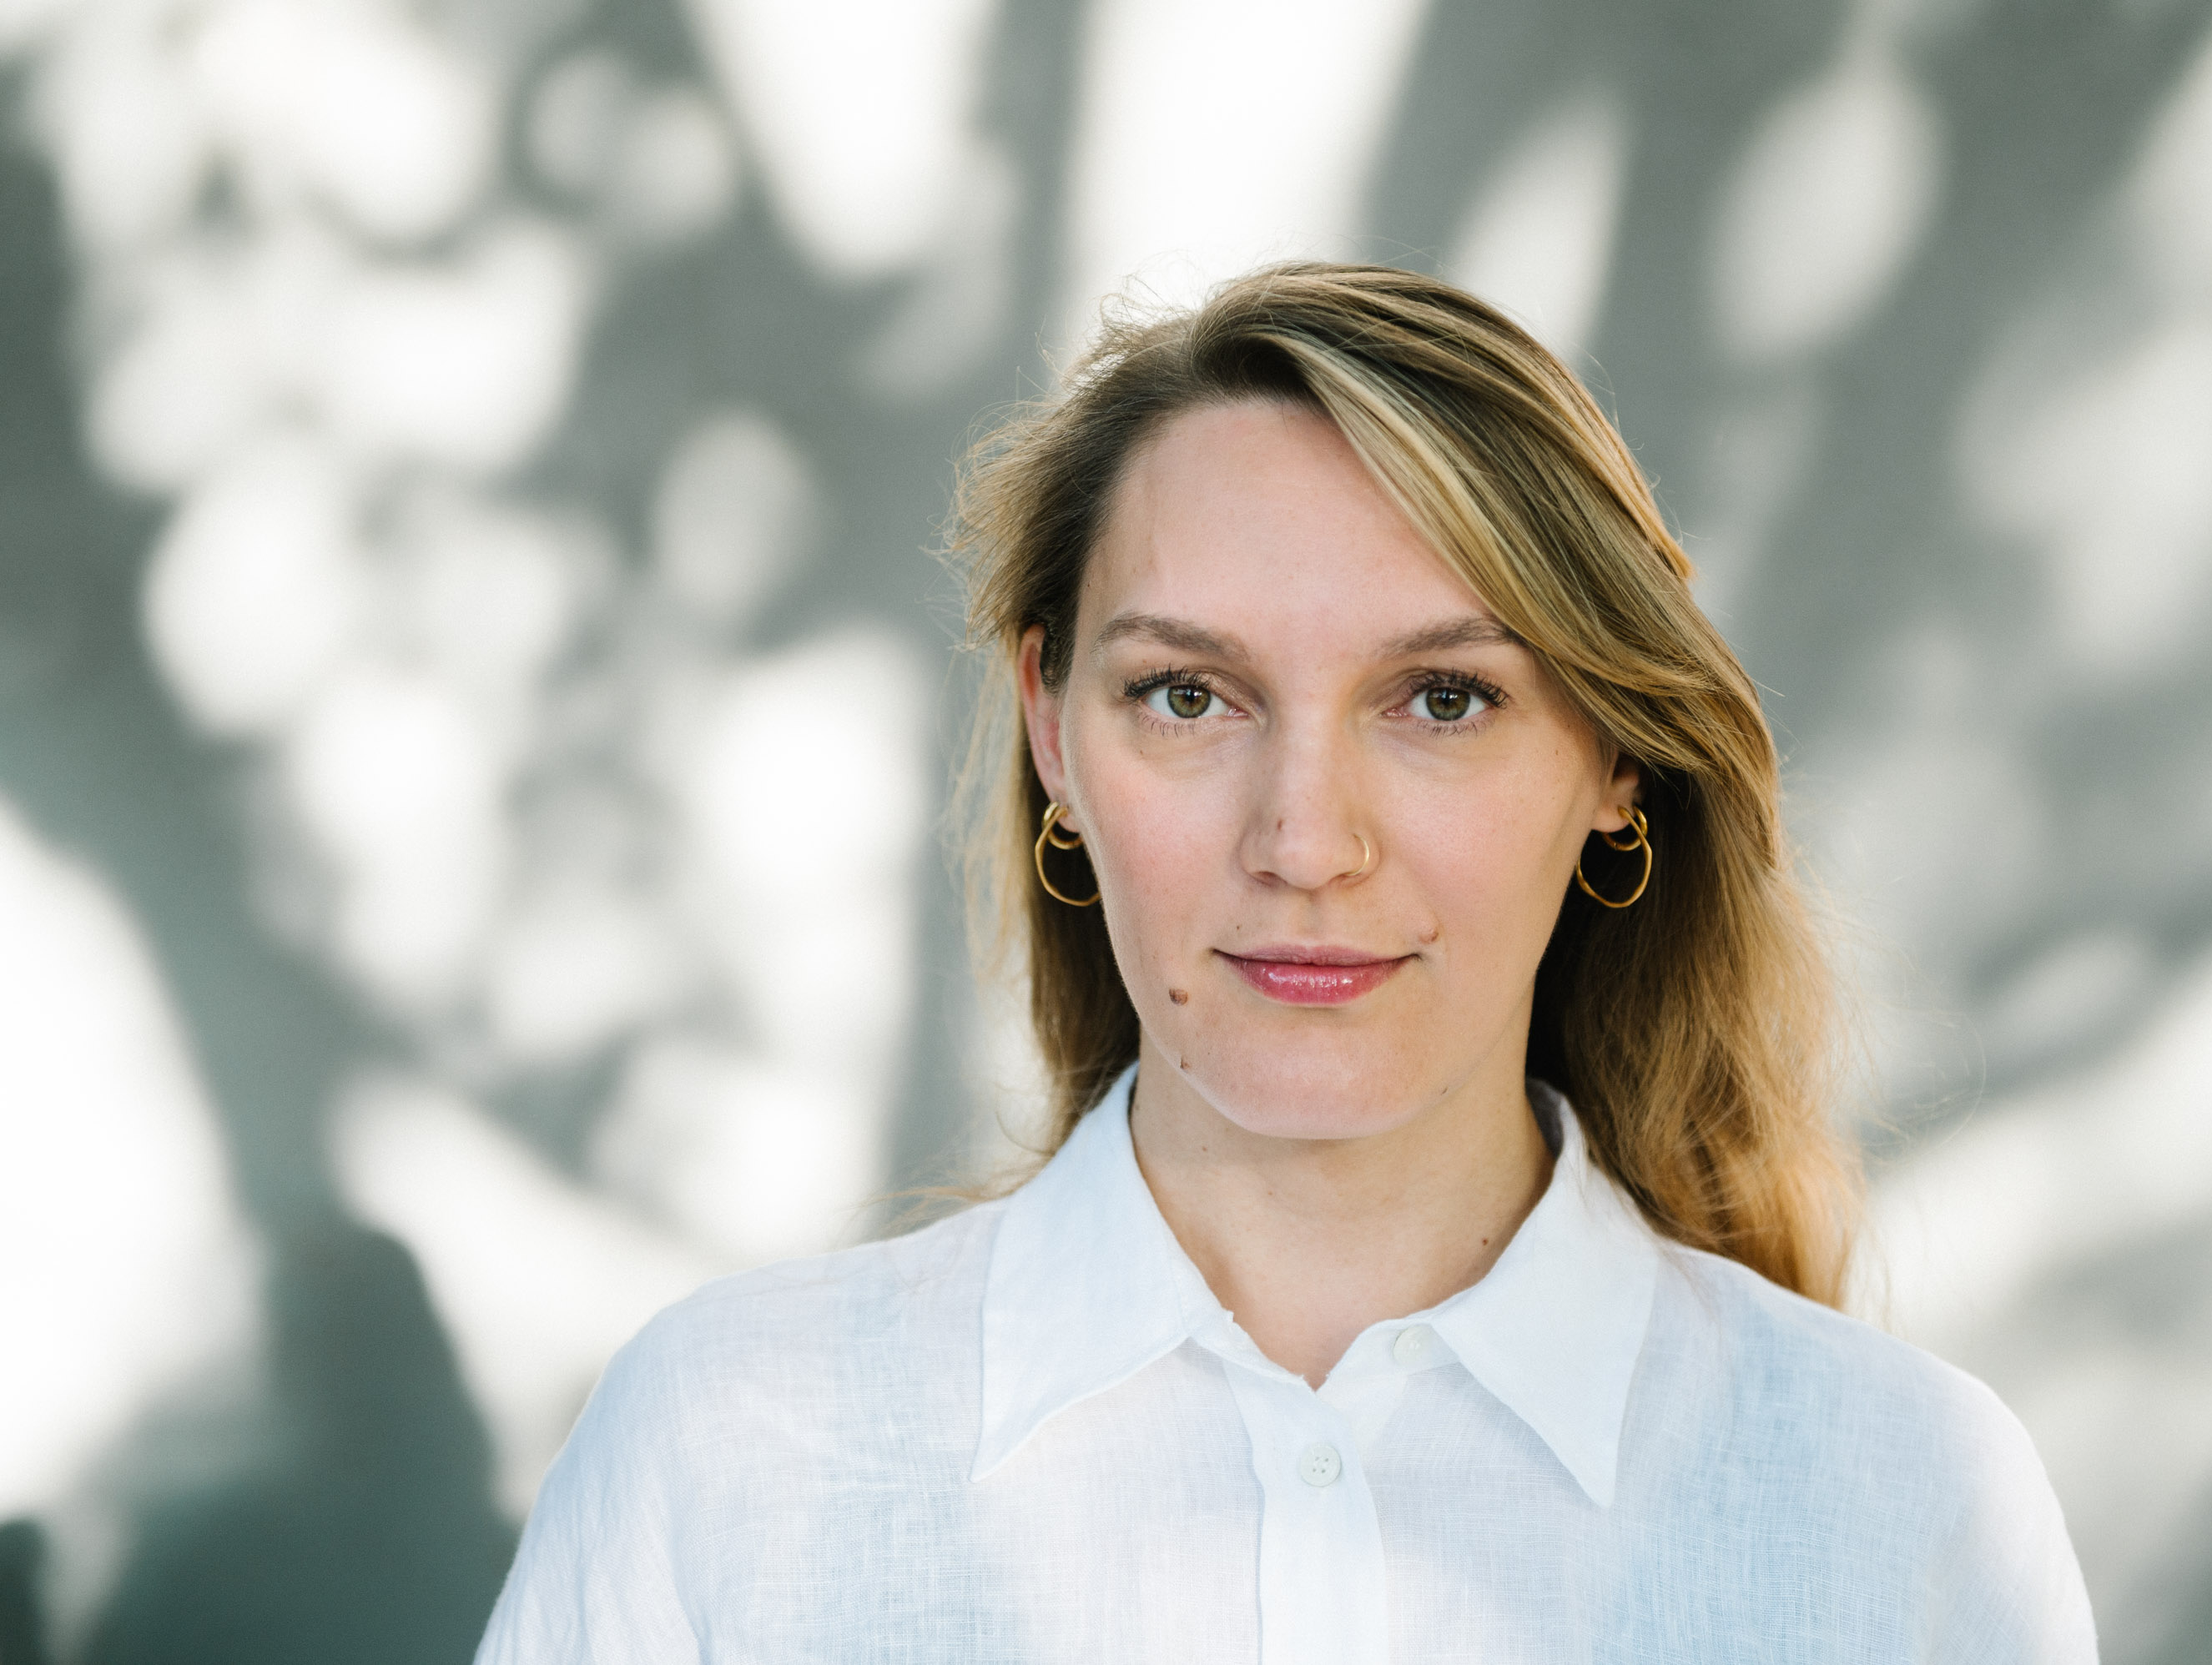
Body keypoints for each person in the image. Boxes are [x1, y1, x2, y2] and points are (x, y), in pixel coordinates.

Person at [473, 264, 2098, 1662]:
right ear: (1051, 729)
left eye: (1442, 699)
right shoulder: (727, 1450)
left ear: (1617, 758)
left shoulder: (1903, 1502)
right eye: (1189, 694)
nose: (1306, 840)